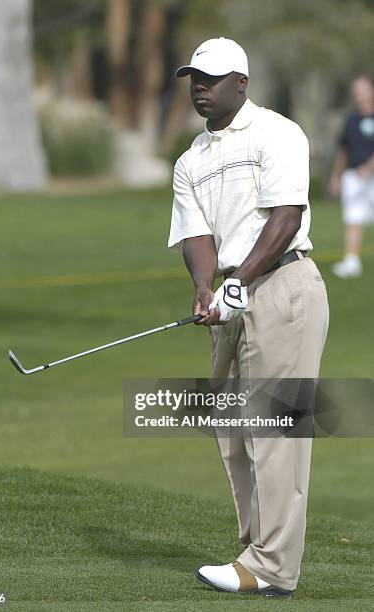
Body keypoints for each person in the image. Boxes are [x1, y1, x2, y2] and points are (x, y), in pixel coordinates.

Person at [168, 38, 329, 599]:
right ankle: (256, 553)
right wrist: (206, 288)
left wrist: (240, 281)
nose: (200, 88)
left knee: (274, 431)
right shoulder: (191, 160)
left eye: (211, 79)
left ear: (242, 83)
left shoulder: (278, 133)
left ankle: (272, 566)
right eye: (194, 78)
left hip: (282, 285)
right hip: (232, 297)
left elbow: (287, 216)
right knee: (232, 431)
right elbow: (196, 235)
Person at [329, 75, 374, 278]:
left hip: (370, 176)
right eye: (355, 91)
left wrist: (369, 167)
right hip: (353, 177)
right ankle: (351, 261)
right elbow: (343, 150)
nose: (358, 95)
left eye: (362, 90)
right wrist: (336, 177)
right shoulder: (351, 120)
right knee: (353, 218)